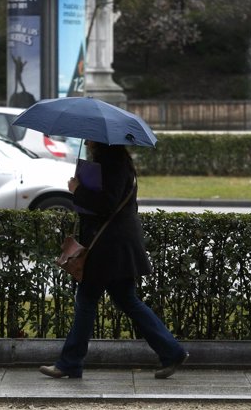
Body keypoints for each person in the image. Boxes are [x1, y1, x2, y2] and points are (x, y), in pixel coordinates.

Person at [39, 140, 189, 380]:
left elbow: (107, 204)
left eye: (91, 138)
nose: (87, 141)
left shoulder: (112, 164)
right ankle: (171, 351)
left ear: (102, 141)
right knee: (126, 300)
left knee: (87, 301)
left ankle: (70, 363)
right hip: (115, 246)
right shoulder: (116, 162)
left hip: (109, 248)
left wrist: (78, 190)